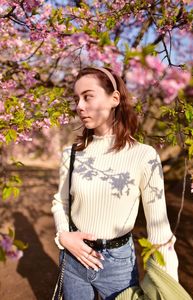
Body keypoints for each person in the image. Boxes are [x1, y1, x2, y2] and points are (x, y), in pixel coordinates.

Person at [51, 67, 179, 300]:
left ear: (114, 99)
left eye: (88, 96)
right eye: (76, 99)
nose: (79, 106)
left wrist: (169, 289)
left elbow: (159, 230)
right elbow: (60, 202)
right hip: (73, 259)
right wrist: (63, 236)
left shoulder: (144, 155)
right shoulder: (71, 153)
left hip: (118, 264)